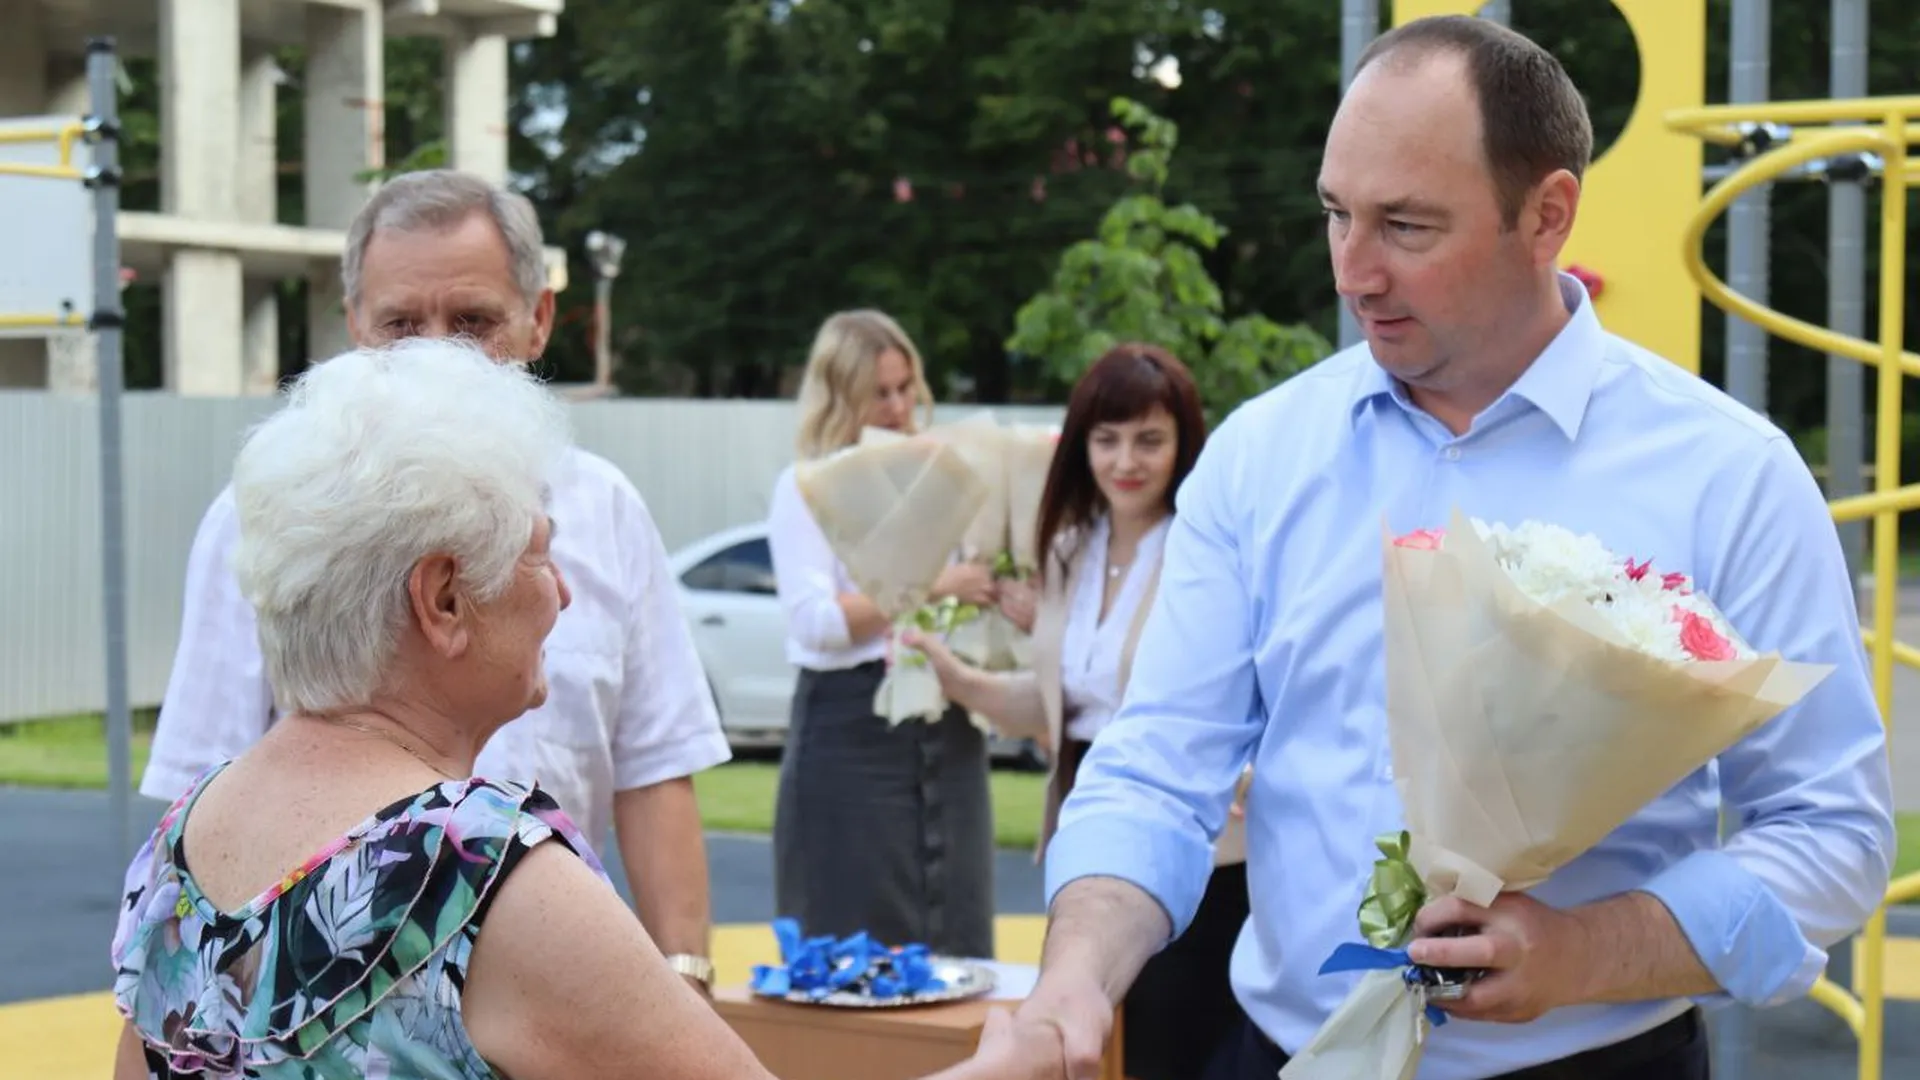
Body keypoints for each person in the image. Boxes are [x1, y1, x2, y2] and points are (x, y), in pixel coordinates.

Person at [1001, 17, 1896, 1080]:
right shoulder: (1259, 456)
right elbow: (1155, 772)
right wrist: (1071, 986)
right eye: (1336, 214)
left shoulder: (1731, 474)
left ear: (1548, 214)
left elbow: (1831, 832)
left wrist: (1587, 952)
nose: (1353, 271)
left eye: (1406, 227)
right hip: (1280, 1054)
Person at [110, 340, 1061, 1080]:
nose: (561, 592)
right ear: (442, 600)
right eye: (537, 553)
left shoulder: (186, 842)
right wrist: (1008, 1064)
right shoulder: (480, 873)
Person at [137, 169, 730, 997]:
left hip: (564, 989)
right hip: (328, 1007)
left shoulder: (610, 512)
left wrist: (684, 980)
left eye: (472, 322)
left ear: (538, 321)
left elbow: (655, 767)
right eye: (401, 324)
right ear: (353, 328)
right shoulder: (262, 519)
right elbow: (199, 805)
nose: (436, 354)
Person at [903, 344, 1251, 1080]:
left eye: (1149, 439)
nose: (1127, 459)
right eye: (1107, 438)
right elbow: (1057, 706)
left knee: (1175, 1046)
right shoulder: (1066, 551)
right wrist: (952, 674)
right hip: (1086, 821)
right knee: (1090, 1038)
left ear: (1184, 444)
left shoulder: (1204, 552)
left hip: (1201, 836)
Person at [766, 309, 1002, 958]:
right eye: (880, 392)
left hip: (947, 727)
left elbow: (970, 593)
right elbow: (816, 623)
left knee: (958, 940)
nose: (899, 407)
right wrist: (932, 581)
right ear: (842, 397)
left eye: (906, 387)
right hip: (848, 735)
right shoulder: (807, 488)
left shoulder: (943, 478)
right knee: (852, 946)